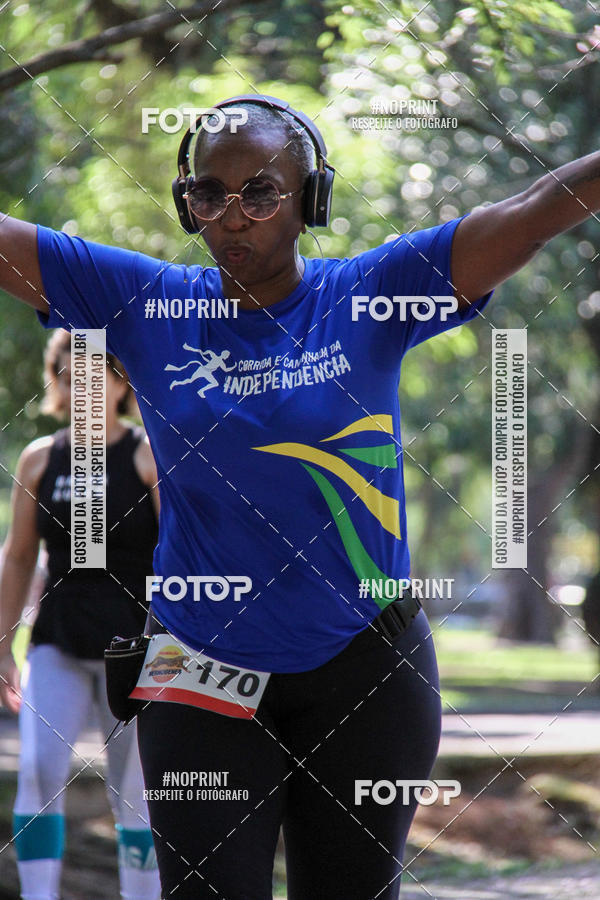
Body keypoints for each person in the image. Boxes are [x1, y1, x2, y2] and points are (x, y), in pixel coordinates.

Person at [1, 93, 599, 898]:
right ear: (188, 206)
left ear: (310, 198)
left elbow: (530, 213)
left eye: (261, 192)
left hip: (365, 666)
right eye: (210, 194)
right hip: (197, 665)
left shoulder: (371, 294)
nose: (234, 216)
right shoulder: (143, 303)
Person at [0, 330, 161, 900]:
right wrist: (3, 645)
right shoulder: (40, 459)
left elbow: (186, 556)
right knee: (40, 772)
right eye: (70, 378)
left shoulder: (149, 455)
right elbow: (19, 556)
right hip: (58, 643)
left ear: (122, 385)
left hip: (142, 654)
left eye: (97, 377)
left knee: (138, 794)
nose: (83, 389)